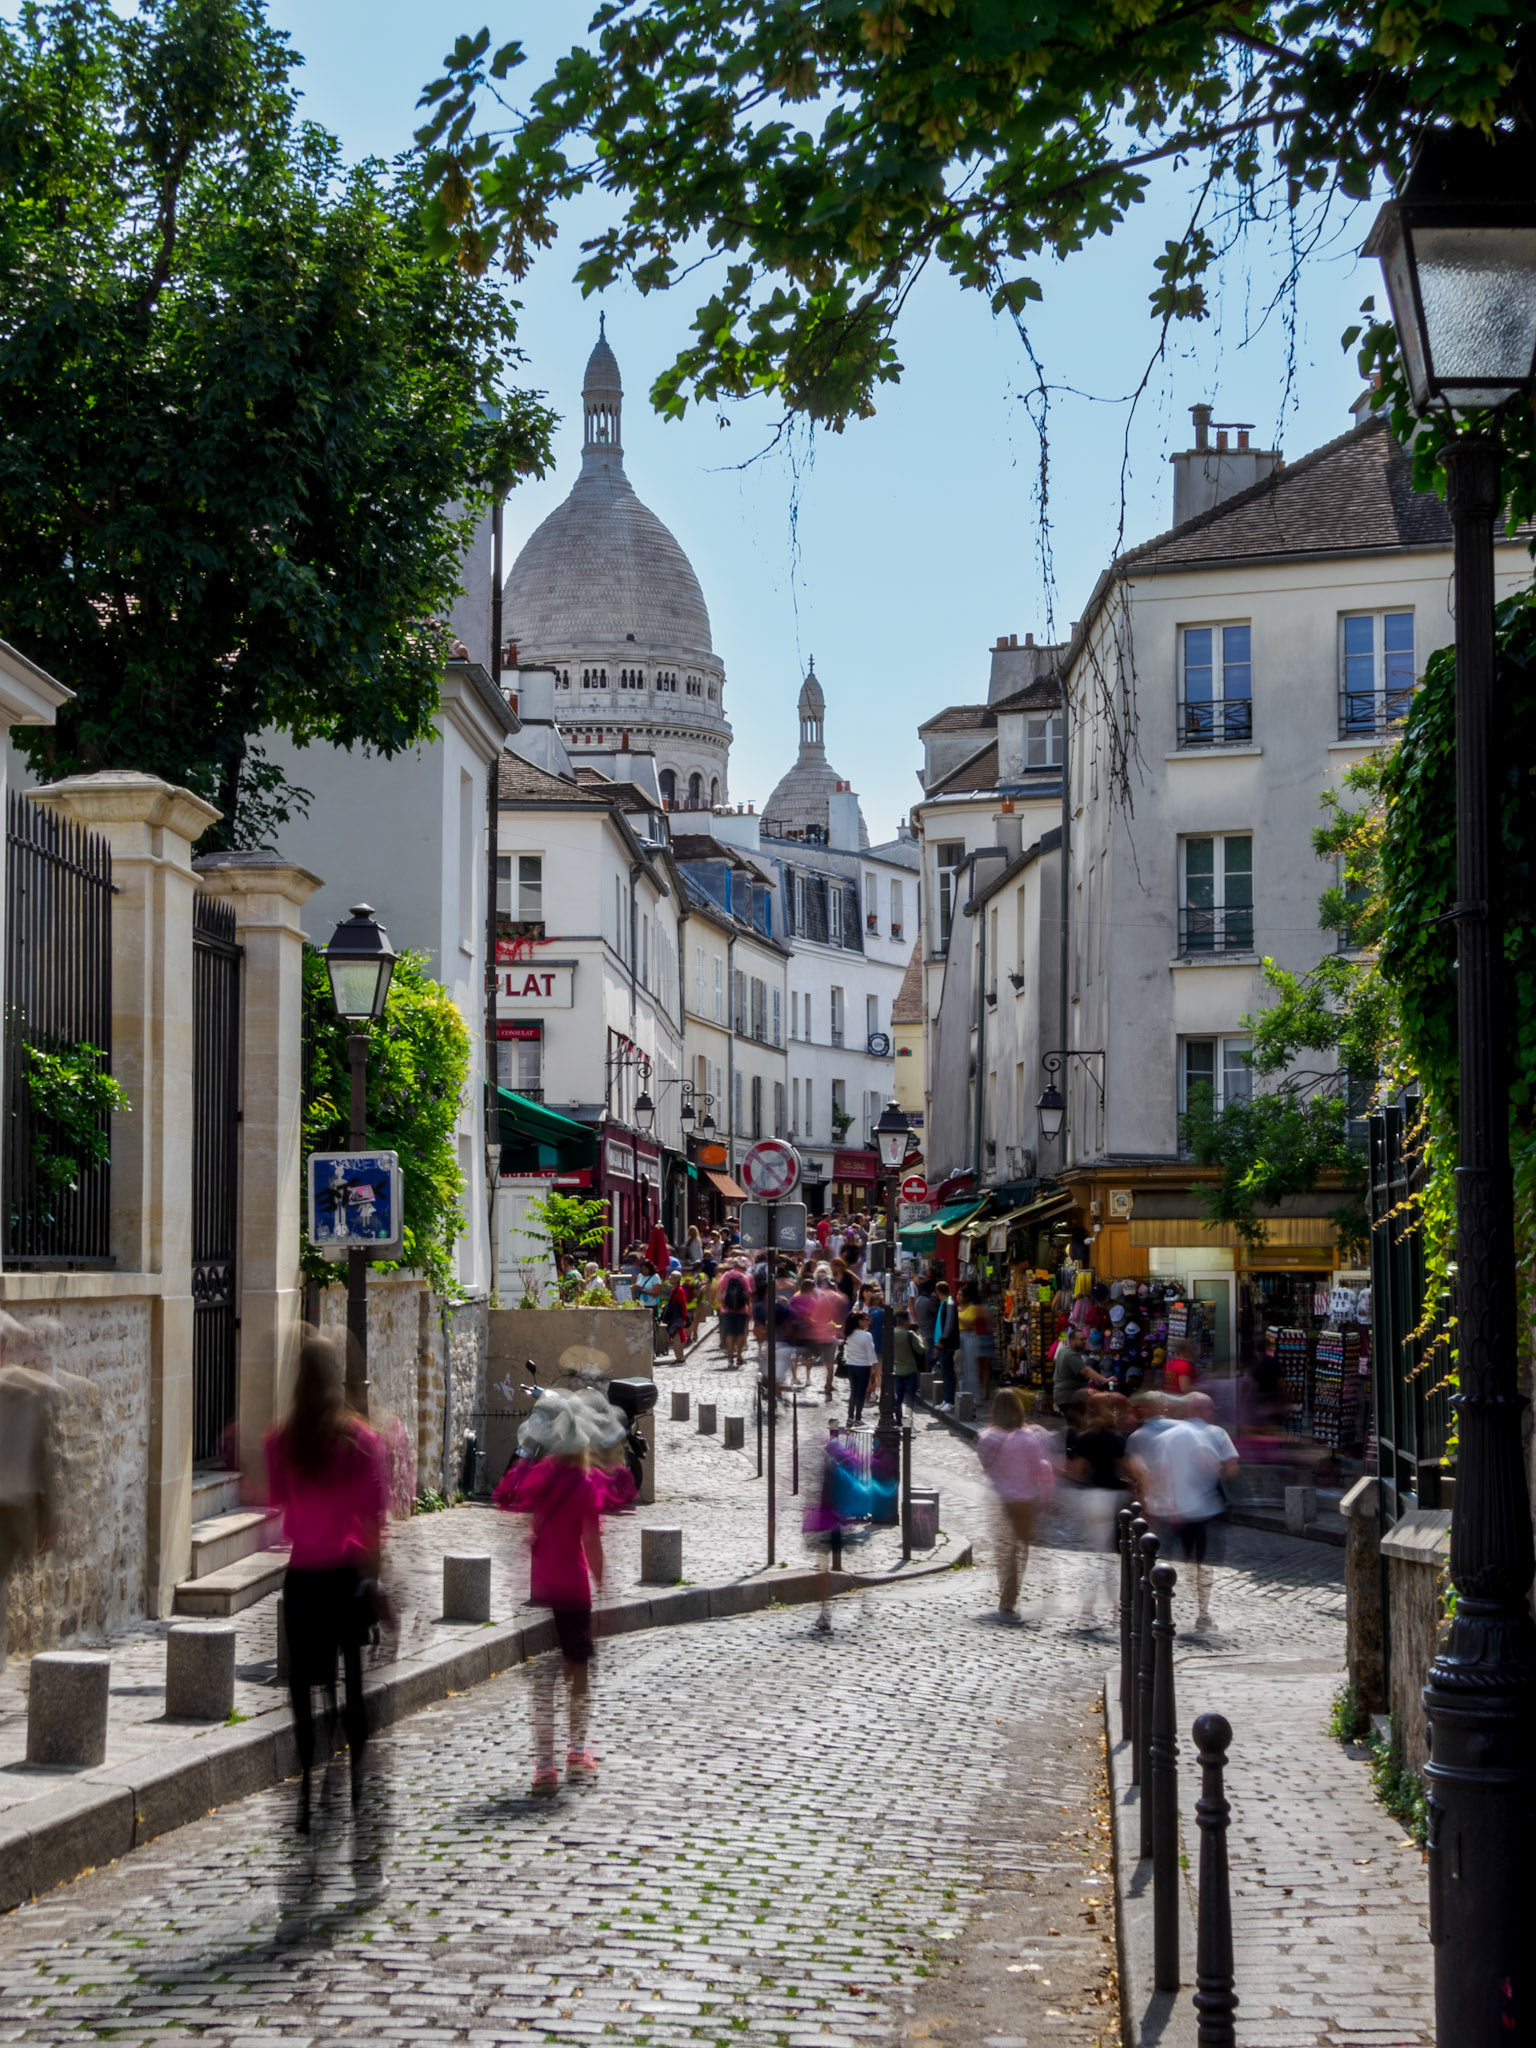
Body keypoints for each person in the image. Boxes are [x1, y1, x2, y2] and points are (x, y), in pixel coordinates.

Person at [265, 1336, 389, 1831]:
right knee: (353, 1681)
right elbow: (374, 1519)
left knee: (302, 1687)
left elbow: (279, 1503)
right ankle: (358, 1785)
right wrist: (377, 1581)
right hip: (346, 1572)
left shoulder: (281, 1441)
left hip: (303, 1577)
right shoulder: (361, 1441)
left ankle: (305, 1793)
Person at [494, 1389, 635, 1793]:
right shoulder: (587, 1484)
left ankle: (544, 1768)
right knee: (577, 1673)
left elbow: (508, 1497)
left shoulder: (541, 1474)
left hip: (539, 1588)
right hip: (573, 1589)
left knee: (542, 1684)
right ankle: (576, 1752)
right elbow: (591, 1543)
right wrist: (604, 1589)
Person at [1153, 1392, 1239, 1630]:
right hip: (1203, 1510)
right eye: (1210, 1409)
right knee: (1202, 1564)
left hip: (1172, 1512)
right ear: (1204, 1411)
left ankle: (1162, 1609)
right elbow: (1230, 1468)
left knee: (1165, 1562)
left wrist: (1169, 1504)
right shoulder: (1217, 1434)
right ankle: (1202, 1612)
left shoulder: (1167, 1436)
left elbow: (1162, 1473)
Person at [976, 1388, 1055, 1620]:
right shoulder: (1029, 1437)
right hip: (1025, 1500)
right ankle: (1013, 1595)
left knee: (1004, 1550)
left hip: (1001, 1500)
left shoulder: (986, 1438)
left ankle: (1007, 1597)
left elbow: (985, 1465)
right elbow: (1043, 1468)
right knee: (1020, 1549)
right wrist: (1047, 1496)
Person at [1064, 1392, 1131, 1625]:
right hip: (1112, 1498)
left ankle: (1089, 1610)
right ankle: (1115, 1609)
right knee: (1111, 1557)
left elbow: (1077, 1472)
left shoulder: (1084, 1438)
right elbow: (1125, 1467)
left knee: (1098, 1554)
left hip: (1092, 1498)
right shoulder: (1116, 1437)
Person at [890, 1308, 924, 1421]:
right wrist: (921, 1340)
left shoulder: (891, 1333)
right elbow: (920, 1350)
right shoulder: (910, 1334)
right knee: (910, 1399)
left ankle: (899, 1420)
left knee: (898, 1399)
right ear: (904, 1321)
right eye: (908, 1320)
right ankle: (908, 1422)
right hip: (910, 1370)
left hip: (897, 1370)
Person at [843, 1310, 877, 1424]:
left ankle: (850, 1417)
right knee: (861, 1393)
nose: (868, 1322)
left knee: (853, 1391)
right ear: (859, 1321)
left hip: (851, 1365)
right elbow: (870, 1352)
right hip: (863, 1366)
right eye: (866, 1320)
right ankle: (858, 1417)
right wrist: (874, 1367)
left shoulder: (850, 1334)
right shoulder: (866, 1335)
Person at [716, 1262, 751, 1369]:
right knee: (741, 1333)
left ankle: (730, 1357)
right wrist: (749, 1308)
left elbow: (720, 1292)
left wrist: (722, 1306)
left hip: (727, 1310)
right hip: (741, 1310)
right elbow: (748, 1293)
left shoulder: (726, 1276)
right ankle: (739, 1355)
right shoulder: (743, 1277)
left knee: (730, 1333)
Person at [933, 1281, 960, 1411]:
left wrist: (942, 1340)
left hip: (946, 1344)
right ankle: (946, 1399)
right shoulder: (944, 1303)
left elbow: (949, 1324)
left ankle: (950, 1401)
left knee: (948, 1372)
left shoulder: (949, 1303)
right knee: (944, 1372)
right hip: (942, 1344)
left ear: (938, 1292)